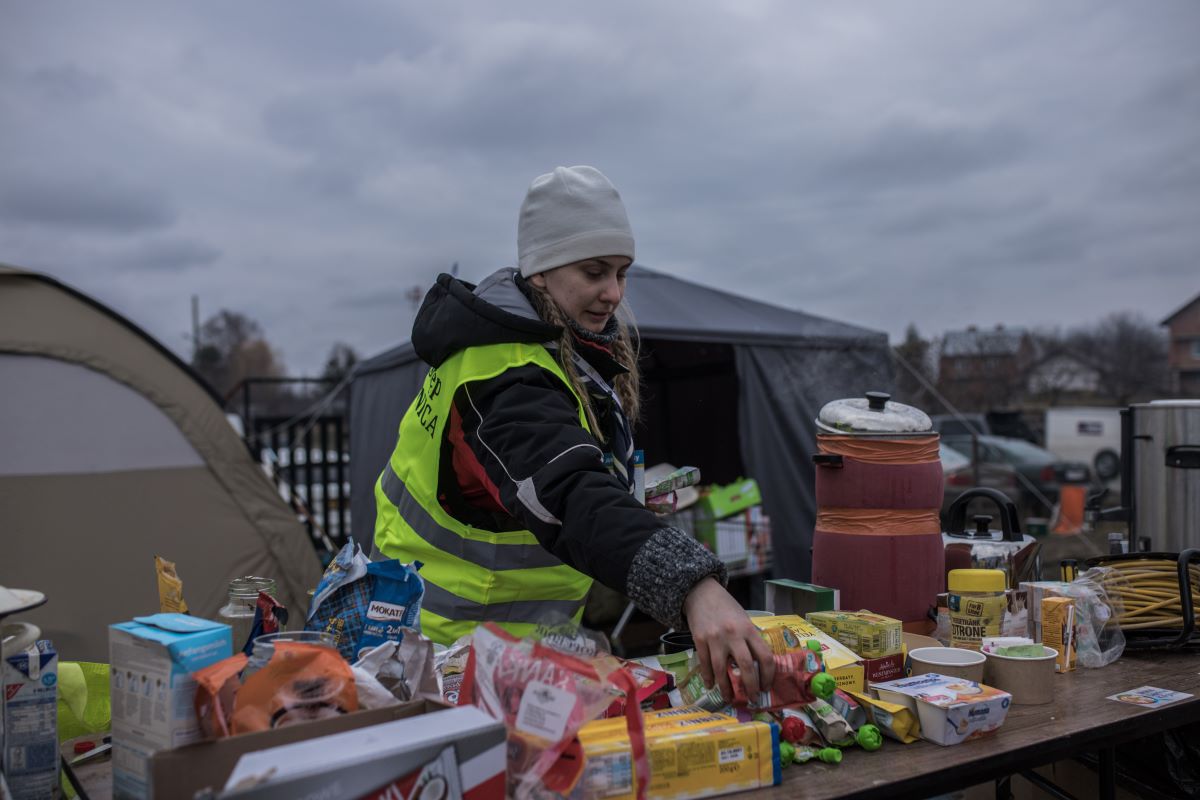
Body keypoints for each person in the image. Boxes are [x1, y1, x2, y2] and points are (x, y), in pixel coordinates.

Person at [374, 165, 773, 699]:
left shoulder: (552, 354)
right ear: (539, 271)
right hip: (447, 663)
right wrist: (695, 588)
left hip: (518, 651)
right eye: (593, 271)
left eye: (621, 272)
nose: (613, 293)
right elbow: (566, 491)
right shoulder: (502, 371)